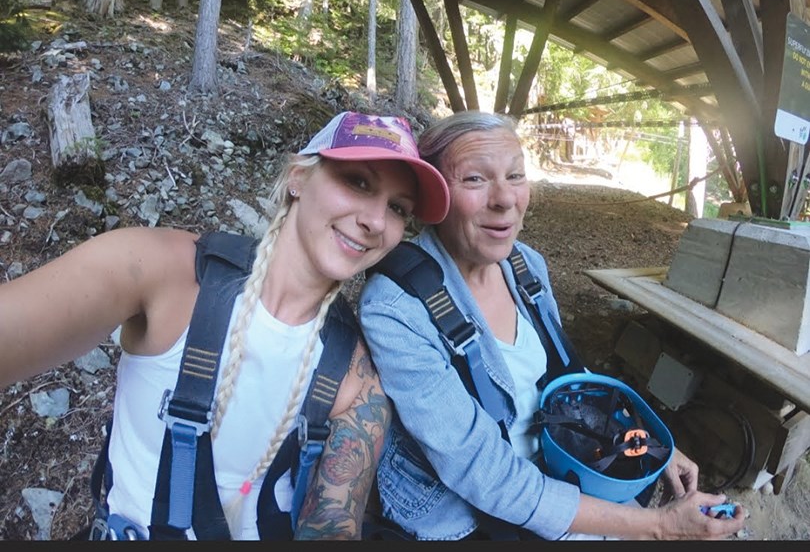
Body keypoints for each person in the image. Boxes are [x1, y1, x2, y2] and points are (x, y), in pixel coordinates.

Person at [0, 111, 450, 541]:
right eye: (357, 182)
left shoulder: (354, 375)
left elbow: (334, 522)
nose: (375, 221)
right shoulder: (161, 273)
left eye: (397, 208)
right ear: (298, 178)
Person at [358, 110, 746, 541]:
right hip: (461, 514)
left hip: (552, 467)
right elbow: (483, 473)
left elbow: (566, 380)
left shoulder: (526, 267)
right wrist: (656, 527)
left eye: (516, 176)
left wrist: (654, 446)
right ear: (433, 196)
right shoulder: (397, 307)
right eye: (474, 179)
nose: (505, 199)